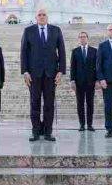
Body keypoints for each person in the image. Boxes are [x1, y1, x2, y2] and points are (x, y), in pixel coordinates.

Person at [20, 9, 66, 142]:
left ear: (47, 17)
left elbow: (61, 50)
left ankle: (48, 132)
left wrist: (60, 71)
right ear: (36, 17)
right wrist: (25, 71)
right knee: (34, 103)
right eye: (39, 15)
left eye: (44, 15)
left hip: (51, 74)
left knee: (49, 104)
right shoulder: (28, 31)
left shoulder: (56, 30)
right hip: (34, 74)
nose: (41, 17)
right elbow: (24, 52)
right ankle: (35, 131)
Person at [69, 31, 97, 132]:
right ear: (79, 39)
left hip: (91, 82)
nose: (82, 38)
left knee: (90, 103)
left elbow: (97, 67)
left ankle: (89, 124)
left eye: (84, 37)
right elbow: (72, 67)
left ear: (87, 38)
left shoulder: (94, 51)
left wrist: (97, 80)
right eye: (80, 37)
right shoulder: (75, 51)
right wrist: (72, 80)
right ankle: (81, 124)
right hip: (79, 82)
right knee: (80, 103)